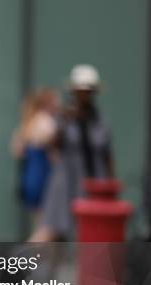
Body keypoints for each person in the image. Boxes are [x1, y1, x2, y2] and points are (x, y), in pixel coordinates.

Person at [30, 65, 114, 242]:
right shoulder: (65, 117)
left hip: (93, 183)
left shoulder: (100, 120)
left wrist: (110, 186)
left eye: (88, 91)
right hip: (66, 180)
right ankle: (15, 265)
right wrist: (64, 121)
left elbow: (107, 155)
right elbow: (52, 145)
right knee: (52, 230)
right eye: (80, 90)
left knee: (90, 234)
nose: (84, 95)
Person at [11, 88, 60, 225]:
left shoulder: (28, 123)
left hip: (31, 174)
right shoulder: (46, 121)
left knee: (39, 220)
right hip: (43, 174)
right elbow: (53, 149)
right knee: (46, 222)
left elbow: (17, 150)